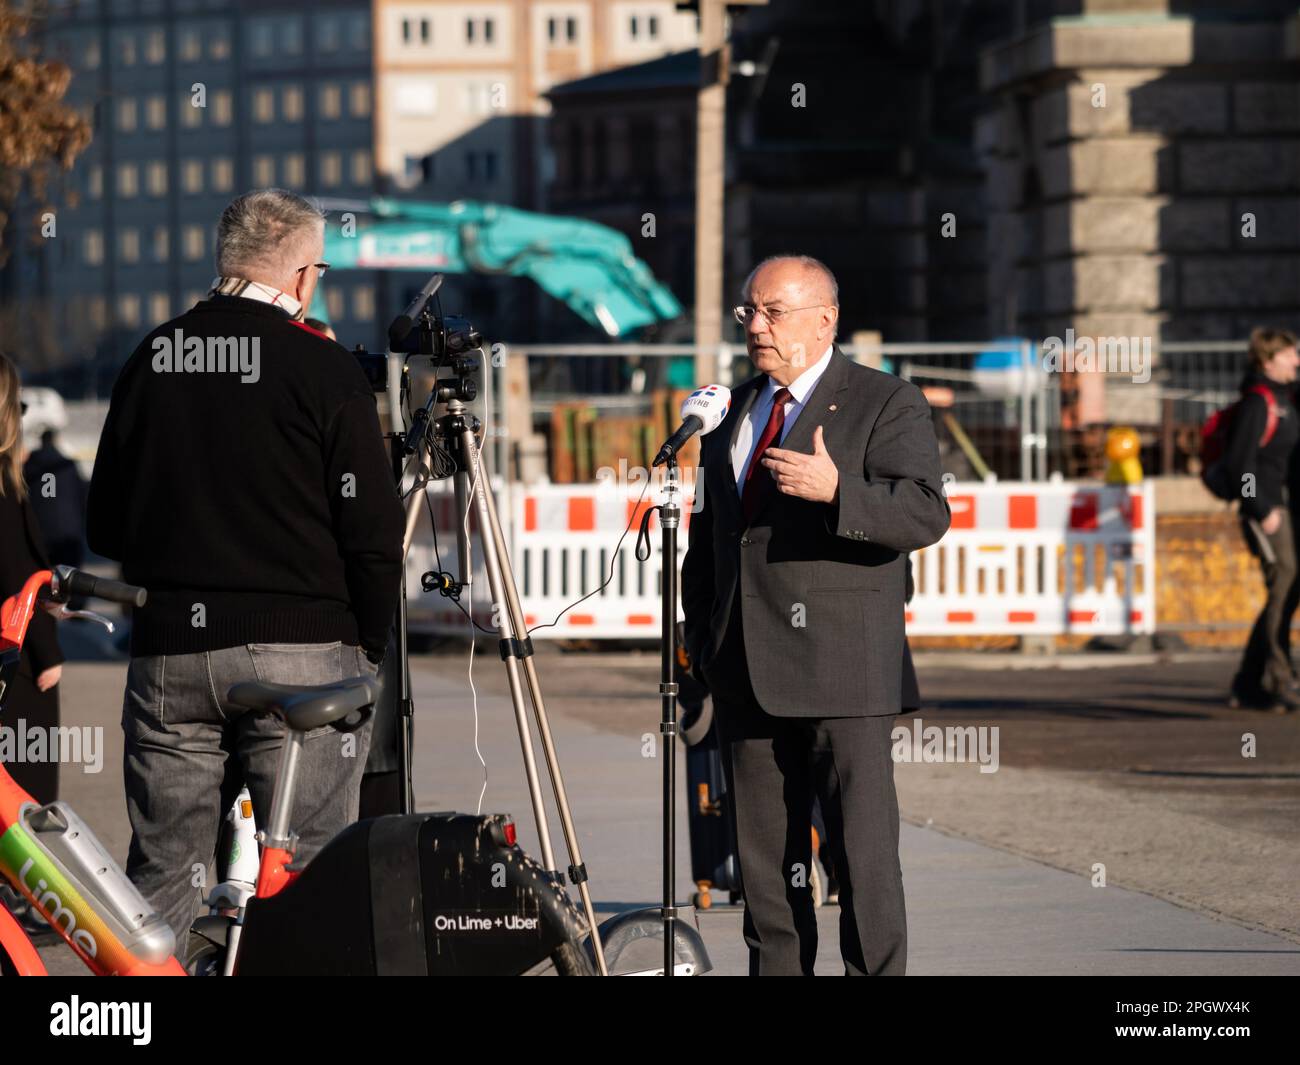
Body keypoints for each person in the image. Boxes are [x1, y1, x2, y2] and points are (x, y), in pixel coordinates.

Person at [86, 188, 406, 944]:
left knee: (163, 873)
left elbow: (104, 520)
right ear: (300, 276)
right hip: (301, 650)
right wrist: (367, 642)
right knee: (308, 870)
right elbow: (372, 533)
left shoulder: (155, 356)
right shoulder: (325, 371)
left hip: (171, 652)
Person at [681, 255, 950, 975]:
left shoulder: (884, 401)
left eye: (773, 311)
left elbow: (926, 513)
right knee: (767, 877)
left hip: (845, 668)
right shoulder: (729, 411)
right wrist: (704, 640)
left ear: (824, 318)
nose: (756, 326)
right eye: (748, 312)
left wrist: (839, 491)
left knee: (863, 861)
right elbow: (708, 543)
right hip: (746, 672)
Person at [0, 355, 64, 938]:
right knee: (28, 783)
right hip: (16, 662)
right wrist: (50, 654)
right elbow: (23, 578)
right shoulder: (6, 486)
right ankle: (22, 897)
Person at [1225, 327, 1300, 712]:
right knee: (1283, 588)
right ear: (1269, 360)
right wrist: (1261, 508)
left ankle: (1248, 681)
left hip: (1279, 508)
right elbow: (1242, 465)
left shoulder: (1285, 398)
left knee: (1285, 591)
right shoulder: (1259, 401)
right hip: (1267, 512)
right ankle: (1277, 679)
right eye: (1290, 355)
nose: (1297, 361)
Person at [23, 427, 88, 570]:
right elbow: (82, 496)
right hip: (68, 533)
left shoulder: (29, 466)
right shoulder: (67, 465)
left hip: (40, 534)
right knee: (71, 580)